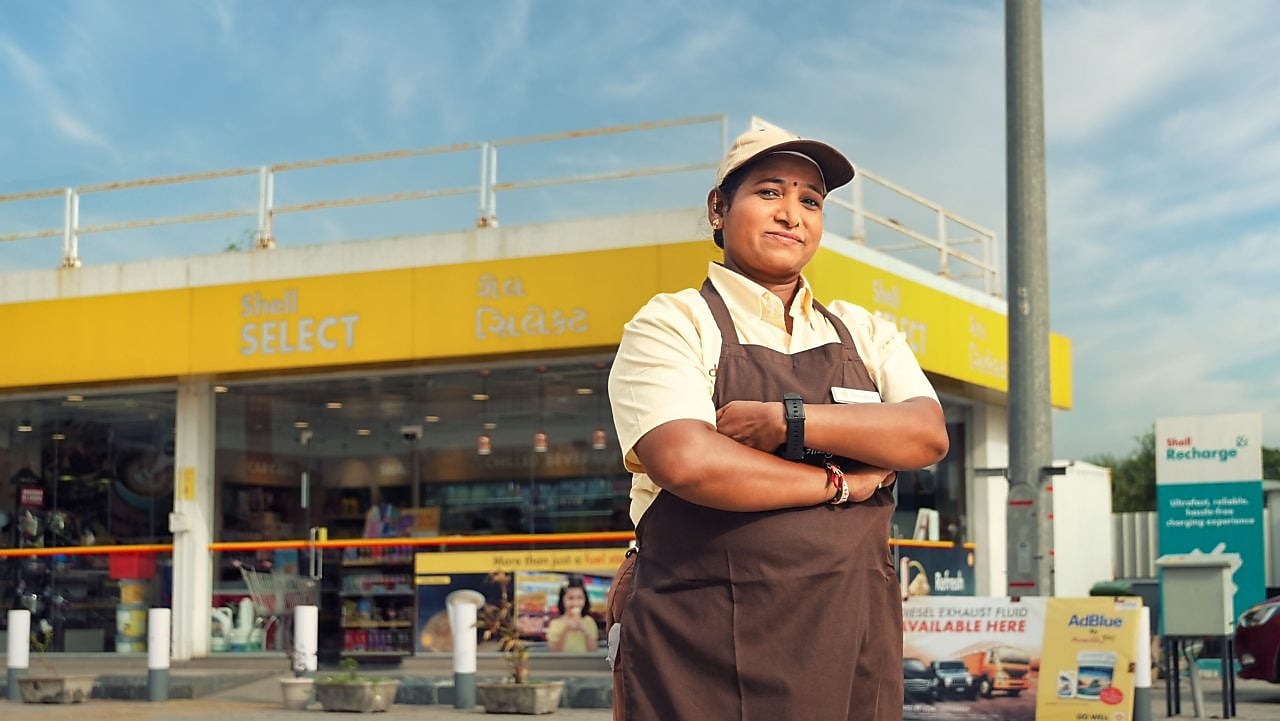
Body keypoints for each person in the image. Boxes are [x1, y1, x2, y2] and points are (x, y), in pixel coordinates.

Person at [607, 125, 949, 721]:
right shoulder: (674, 322)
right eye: (770, 193)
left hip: (852, 636)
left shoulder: (862, 332)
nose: (792, 214)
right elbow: (689, 461)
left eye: (810, 201)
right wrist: (842, 483)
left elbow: (924, 435)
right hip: (703, 638)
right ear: (719, 208)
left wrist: (788, 422)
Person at [545, 578, 599, 652]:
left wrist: (584, 630)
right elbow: (554, 651)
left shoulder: (589, 622)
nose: (575, 603)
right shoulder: (555, 623)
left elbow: (593, 650)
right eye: (570, 598)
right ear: (562, 600)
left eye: (580, 598)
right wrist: (566, 629)